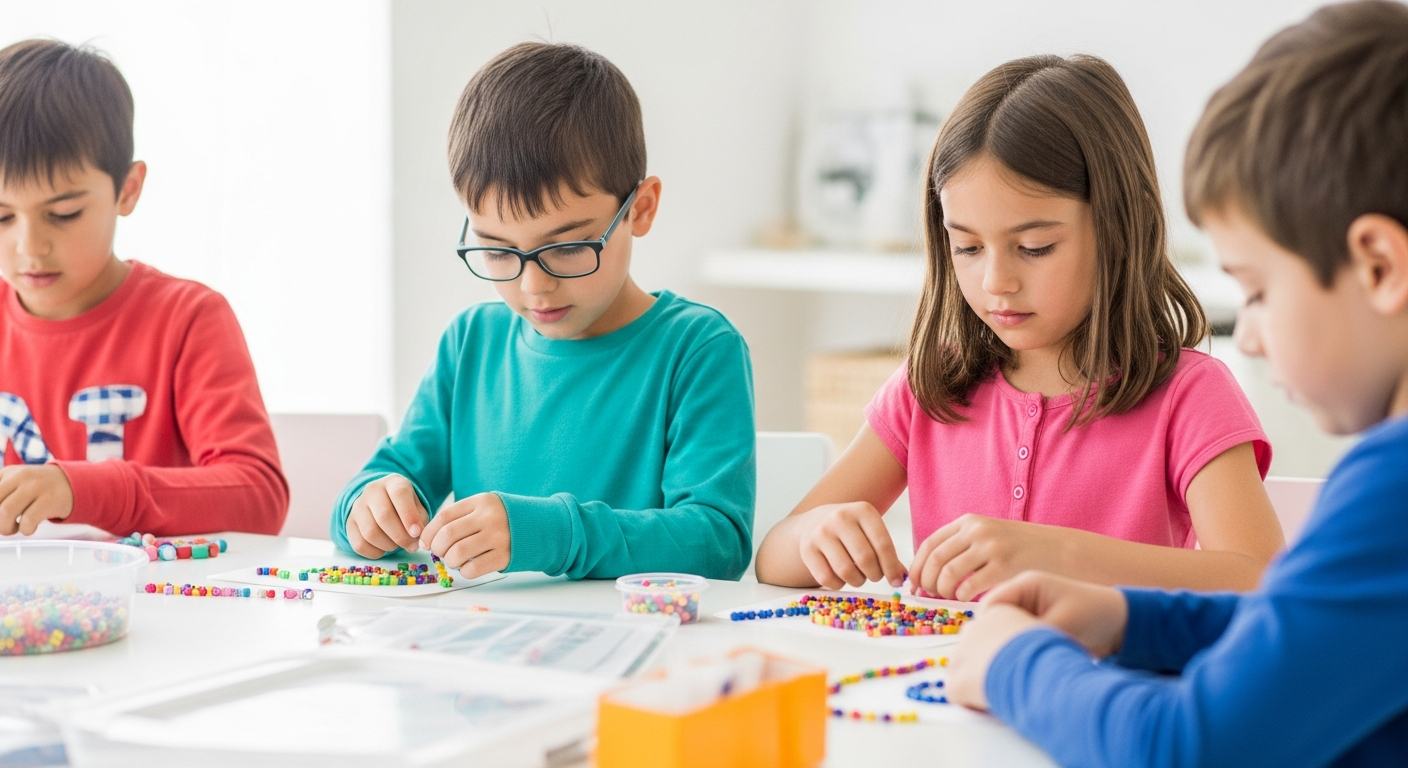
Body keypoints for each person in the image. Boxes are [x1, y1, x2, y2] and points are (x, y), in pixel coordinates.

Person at [946, 3, 1408, 765]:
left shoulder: (1393, 492)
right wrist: (1132, 618)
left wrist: (1012, 664)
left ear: (1379, 268)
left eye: (1257, 290)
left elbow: (1184, 746)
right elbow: (1302, 629)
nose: (1250, 335)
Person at [755, 53, 1284, 598]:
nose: (996, 281)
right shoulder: (931, 386)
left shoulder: (1188, 396)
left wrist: (1059, 553)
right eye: (967, 247)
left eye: (1034, 248)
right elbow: (774, 558)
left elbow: (1259, 582)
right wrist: (818, 535)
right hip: (939, 682)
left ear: (1121, 226)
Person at [330, 42, 755, 581]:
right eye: (498, 251)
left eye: (570, 247)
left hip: (637, 651)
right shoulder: (470, 343)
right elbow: (387, 478)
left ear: (640, 209)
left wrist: (549, 534)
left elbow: (716, 542)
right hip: (485, 644)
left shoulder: (697, 348)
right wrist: (367, 509)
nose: (535, 285)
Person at [0, 40, 288, 536]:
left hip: (156, 605)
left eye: (63, 214)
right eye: (1, 216)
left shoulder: (188, 318)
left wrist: (80, 489)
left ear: (127, 190)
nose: (31, 248)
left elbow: (258, 497)